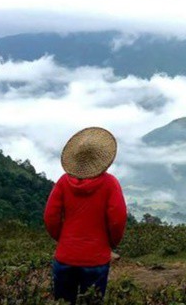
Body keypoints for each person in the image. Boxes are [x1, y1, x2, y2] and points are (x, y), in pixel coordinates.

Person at [44, 127, 127, 304]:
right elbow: (117, 220)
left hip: (65, 256)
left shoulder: (63, 182)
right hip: (96, 259)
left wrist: (65, 239)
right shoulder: (110, 183)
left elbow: (50, 217)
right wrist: (110, 244)